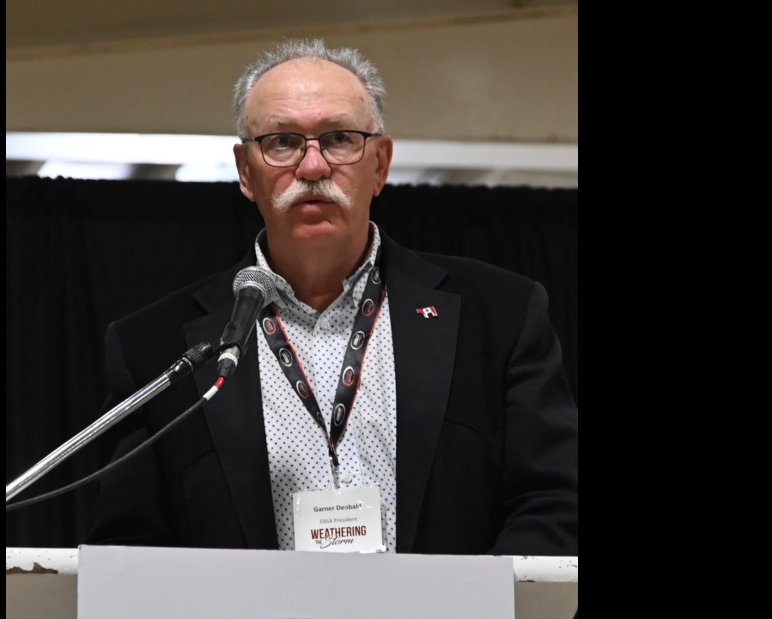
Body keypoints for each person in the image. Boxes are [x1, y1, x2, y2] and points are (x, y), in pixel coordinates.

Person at [87, 36, 576, 573]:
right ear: (245, 171)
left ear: (381, 163)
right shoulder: (156, 346)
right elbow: (131, 548)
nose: (313, 166)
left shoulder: (499, 314)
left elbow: (553, 503)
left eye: (340, 139)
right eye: (282, 142)